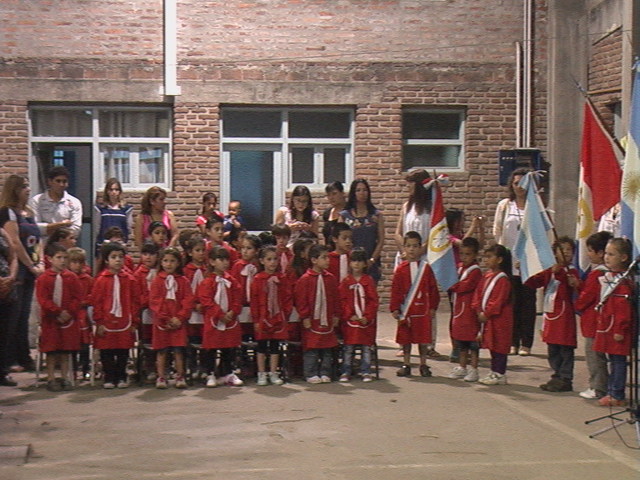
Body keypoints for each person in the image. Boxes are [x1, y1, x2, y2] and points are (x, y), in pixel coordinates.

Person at [0, 174, 42, 373]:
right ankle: (8, 359)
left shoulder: (29, 212)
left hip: (32, 268)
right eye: (24, 186)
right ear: (15, 189)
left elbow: (37, 240)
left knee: (25, 315)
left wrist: (40, 261)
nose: (28, 189)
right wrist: (30, 266)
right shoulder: (7, 212)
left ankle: (23, 356)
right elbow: (14, 243)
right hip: (18, 270)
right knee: (13, 316)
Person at [526, 236, 579, 393]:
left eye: (569, 250)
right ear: (555, 253)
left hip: (565, 316)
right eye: (562, 250)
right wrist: (528, 271)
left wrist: (562, 274)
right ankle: (556, 374)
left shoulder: (572, 271)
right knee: (553, 348)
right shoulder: (549, 271)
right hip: (551, 314)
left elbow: (573, 284)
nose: (566, 253)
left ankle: (565, 377)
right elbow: (535, 282)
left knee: (565, 348)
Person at [493, 167, 536, 356]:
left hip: (529, 260)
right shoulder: (505, 205)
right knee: (510, 303)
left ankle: (526, 343)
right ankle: (513, 341)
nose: (519, 187)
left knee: (527, 304)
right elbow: (498, 231)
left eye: (523, 183)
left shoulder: (535, 206)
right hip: (509, 259)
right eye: (516, 183)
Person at [91, 243, 141, 389]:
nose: (118, 260)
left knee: (122, 350)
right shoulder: (101, 280)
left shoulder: (130, 280)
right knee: (107, 350)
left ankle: (121, 375)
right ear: (106, 260)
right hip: (106, 321)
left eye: (120, 257)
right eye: (113, 257)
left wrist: (134, 322)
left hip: (125, 320)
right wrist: (99, 322)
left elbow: (135, 301)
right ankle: (109, 376)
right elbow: (97, 301)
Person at [390, 231, 440, 378]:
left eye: (415, 246)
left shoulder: (426, 268)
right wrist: (394, 307)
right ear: (404, 248)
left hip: (422, 310)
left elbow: (432, 289)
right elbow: (396, 290)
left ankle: (423, 364)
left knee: (423, 339)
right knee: (406, 338)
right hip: (406, 311)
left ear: (420, 248)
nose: (412, 249)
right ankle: (406, 364)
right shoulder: (400, 270)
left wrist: (432, 307)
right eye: (408, 246)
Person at [35, 243, 82, 391]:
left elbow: (77, 297)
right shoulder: (43, 279)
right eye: (59, 257)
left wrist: (69, 312)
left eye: (65, 258)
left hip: (68, 319)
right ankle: (51, 378)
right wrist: (57, 311)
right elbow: (43, 299)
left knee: (65, 350)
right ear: (49, 259)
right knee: (52, 350)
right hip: (51, 320)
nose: (62, 261)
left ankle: (65, 376)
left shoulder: (72, 277)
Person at [593, 238, 633, 407]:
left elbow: (623, 310)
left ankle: (617, 393)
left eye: (611, 254)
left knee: (618, 362)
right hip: (607, 327)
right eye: (606, 254)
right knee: (612, 361)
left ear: (623, 257)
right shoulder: (609, 278)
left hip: (617, 330)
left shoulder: (623, 283)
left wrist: (620, 329)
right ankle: (611, 391)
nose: (607, 258)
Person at [197, 246, 243, 387]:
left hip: (230, 321)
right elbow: (206, 301)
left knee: (229, 347)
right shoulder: (207, 282)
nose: (224, 263)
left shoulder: (232, 281)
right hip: (214, 321)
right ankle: (210, 373)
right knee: (211, 348)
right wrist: (220, 314)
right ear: (211, 262)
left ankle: (228, 373)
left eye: (226, 260)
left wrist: (232, 312)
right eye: (221, 259)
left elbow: (238, 298)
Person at [574, 231, 612, 399]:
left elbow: (587, 297)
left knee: (594, 356)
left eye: (590, 251)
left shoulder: (597, 274)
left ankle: (597, 387)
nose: (588, 254)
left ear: (600, 253)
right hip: (602, 321)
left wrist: (576, 302)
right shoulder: (609, 273)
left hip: (593, 321)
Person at [295, 244, 339, 384]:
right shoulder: (305, 279)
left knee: (327, 348)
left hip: (327, 318)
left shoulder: (331, 279)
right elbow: (301, 300)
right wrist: (304, 316)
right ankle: (310, 372)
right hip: (312, 319)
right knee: (312, 348)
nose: (328, 260)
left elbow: (335, 298)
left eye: (328, 257)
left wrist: (336, 315)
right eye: (324, 257)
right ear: (314, 260)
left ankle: (325, 372)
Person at [150, 247, 193, 389]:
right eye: (166, 261)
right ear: (161, 262)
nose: (169, 264)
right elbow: (155, 301)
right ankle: (161, 376)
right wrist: (166, 318)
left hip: (178, 322)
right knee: (162, 350)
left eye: (172, 261)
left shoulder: (183, 281)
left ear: (178, 263)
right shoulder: (157, 281)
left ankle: (180, 375)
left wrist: (179, 318)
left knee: (179, 350)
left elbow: (188, 300)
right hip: (162, 323)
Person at [250, 245, 292, 386]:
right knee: (261, 345)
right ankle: (261, 373)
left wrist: (285, 313)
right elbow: (254, 301)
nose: (272, 262)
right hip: (263, 317)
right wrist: (256, 319)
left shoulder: (282, 278)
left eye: (275, 259)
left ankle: (274, 372)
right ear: (262, 261)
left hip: (278, 317)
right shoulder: (257, 279)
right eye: (269, 259)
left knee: (275, 345)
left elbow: (287, 297)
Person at [472, 244, 514, 386]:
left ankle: (500, 373)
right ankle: (493, 371)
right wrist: (478, 310)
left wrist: (487, 313)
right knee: (492, 345)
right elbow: (478, 293)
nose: (487, 260)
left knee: (500, 345)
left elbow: (498, 300)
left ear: (500, 259)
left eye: (490, 257)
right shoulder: (487, 276)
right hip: (488, 318)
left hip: (500, 318)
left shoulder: (503, 279)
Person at [338, 248, 378, 382]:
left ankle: (366, 371)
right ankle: (346, 371)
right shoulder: (346, 281)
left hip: (365, 321)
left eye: (359, 261)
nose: (356, 264)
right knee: (348, 348)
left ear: (365, 264)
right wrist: (349, 315)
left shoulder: (368, 281)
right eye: (354, 261)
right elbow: (342, 300)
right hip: (350, 320)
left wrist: (367, 316)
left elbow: (373, 301)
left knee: (366, 348)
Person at [447, 237, 483, 382]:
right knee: (461, 342)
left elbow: (464, 286)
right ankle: (462, 367)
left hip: (470, 312)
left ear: (474, 255)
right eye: (462, 254)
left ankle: (474, 369)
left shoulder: (475, 271)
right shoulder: (461, 267)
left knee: (472, 343)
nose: (464, 257)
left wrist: (453, 284)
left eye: (468, 254)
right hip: (459, 311)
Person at [339, 179, 385, 283]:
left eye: (364, 190)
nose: (362, 193)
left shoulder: (376, 215)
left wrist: (372, 260)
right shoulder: (344, 215)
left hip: (370, 262)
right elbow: (340, 239)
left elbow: (381, 240)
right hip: (350, 263)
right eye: (358, 190)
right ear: (353, 193)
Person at [29, 165, 82, 241]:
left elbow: (75, 230)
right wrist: (61, 225)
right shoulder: (37, 200)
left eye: (64, 181)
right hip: (43, 245)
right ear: (50, 182)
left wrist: (49, 228)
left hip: (65, 245)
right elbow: (36, 227)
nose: (61, 185)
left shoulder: (75, 202)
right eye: (58, 181)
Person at [132, 242, 160, 382]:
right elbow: (137, 296)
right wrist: (150, 301)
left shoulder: (161, 272)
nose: (148, 257)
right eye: (145, 254)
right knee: (147, 341)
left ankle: (163, 367)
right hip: (146, 312)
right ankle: (149, 367)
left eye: (152, 254)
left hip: (161, 312)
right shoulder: (138, 274)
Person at [394, 169, 432, 267]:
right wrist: (406, 251)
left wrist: (419, 251)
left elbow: (435, 235)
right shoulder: (406, 207)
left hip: (425, 258)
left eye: (411, 182)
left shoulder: (433, 208)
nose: (408, 186)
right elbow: (398, 233)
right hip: (406, 257)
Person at [67, 247, 94, 381]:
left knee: (84, 344)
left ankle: (85, 368)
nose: (77, 265)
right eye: (74, 262)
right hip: (70, 314)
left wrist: (84, 302)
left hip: (83, 313)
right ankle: (72, 369)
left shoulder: (88, 279)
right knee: (71, 344)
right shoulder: (66, 278)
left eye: (80, 262)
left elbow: (92, 295)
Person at [183, 235, 208, 378]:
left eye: (203, 250)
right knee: (191, 340)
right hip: (190, 310)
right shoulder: (186, 271)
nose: (201, 253)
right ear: (190, 253)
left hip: (205, 310)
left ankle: (204, 367)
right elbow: (185, 292)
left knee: (204, 340)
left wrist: (203, 304)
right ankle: (191, 366)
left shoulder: (208, 270)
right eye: (197, 250)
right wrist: (193, 305)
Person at [230, 234, 261, 339]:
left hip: (257, 306)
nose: (245, 251)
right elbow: (234, 287)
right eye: (243, 248)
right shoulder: (237, 266)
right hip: (242, 305)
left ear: (256, 250)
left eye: (249, 248)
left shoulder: (259, 266)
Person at [94, 178, 133, 256]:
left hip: (120, 247)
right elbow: (97, 229)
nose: (113, 192)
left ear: (119, 192)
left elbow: (128, 228)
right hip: (103, 246)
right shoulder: (101, 209)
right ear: (107, 191)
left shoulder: (126, 209)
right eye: (111, 190)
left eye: (116, 189)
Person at [0, 226, 18, 386]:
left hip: (6, 289)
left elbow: (13, 257)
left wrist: (11, 277)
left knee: (5, 333)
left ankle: (2, 372)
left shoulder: (2, 232)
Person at [322, 181, 347, 248]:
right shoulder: (327, 213)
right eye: (329, 195)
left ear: (342, 193)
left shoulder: (349, 212)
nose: (331, 197)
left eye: (334, 194)